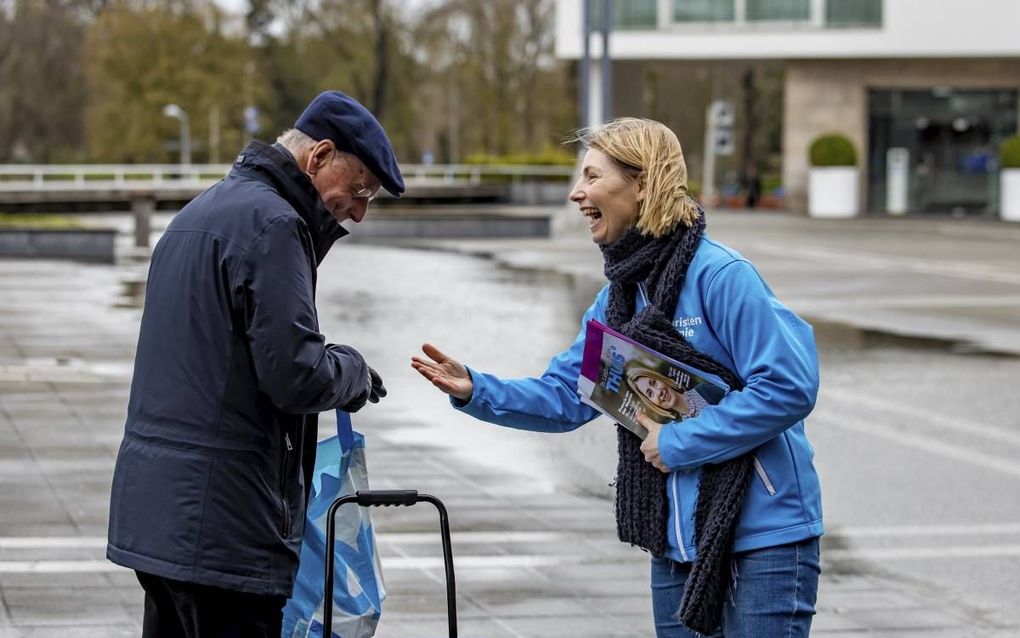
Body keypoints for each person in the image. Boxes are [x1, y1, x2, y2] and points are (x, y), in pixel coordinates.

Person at [412, 117, 822, 637]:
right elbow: (568, 394)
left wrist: (682, 441)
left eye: (591, 176)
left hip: (764, 538)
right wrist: (477, 388)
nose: (576, 194)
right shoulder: (619, 298)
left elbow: (789, 386)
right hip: (675, 543)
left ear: (644, 183)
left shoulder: (721, 276)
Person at [107, 90, 403, 637]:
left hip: (159, 518)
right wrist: (353, 372)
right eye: (360, 189)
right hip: (224, 527)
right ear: (318, 157)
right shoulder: (275, 226)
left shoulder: (201, 211)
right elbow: (295, 375)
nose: (359, 212)